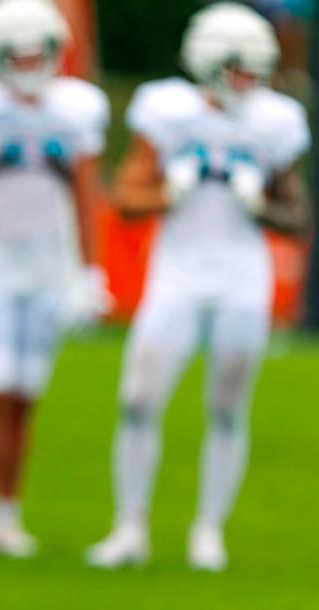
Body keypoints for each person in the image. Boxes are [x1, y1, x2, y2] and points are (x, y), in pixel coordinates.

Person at [86, 2, 309, 572]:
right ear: (209, 61)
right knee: (138, 400)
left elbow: (297, 215)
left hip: (241, 278)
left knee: (228, 406)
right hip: (178, 274)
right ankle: (129, 526)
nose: (250, 82)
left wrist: (260, 204)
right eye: (240, 68)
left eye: (257, 70)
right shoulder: (168, 110)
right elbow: (126, 199)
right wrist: (170, 195)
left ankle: (209, 530)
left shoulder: (275, 118)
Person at [0, 0, 110, 557]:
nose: (29, 62)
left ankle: (8, 511)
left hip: (46, 264)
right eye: (18, 52)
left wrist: (90, 271)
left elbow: (85, 192)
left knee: (25, 394)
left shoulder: (78, 107)